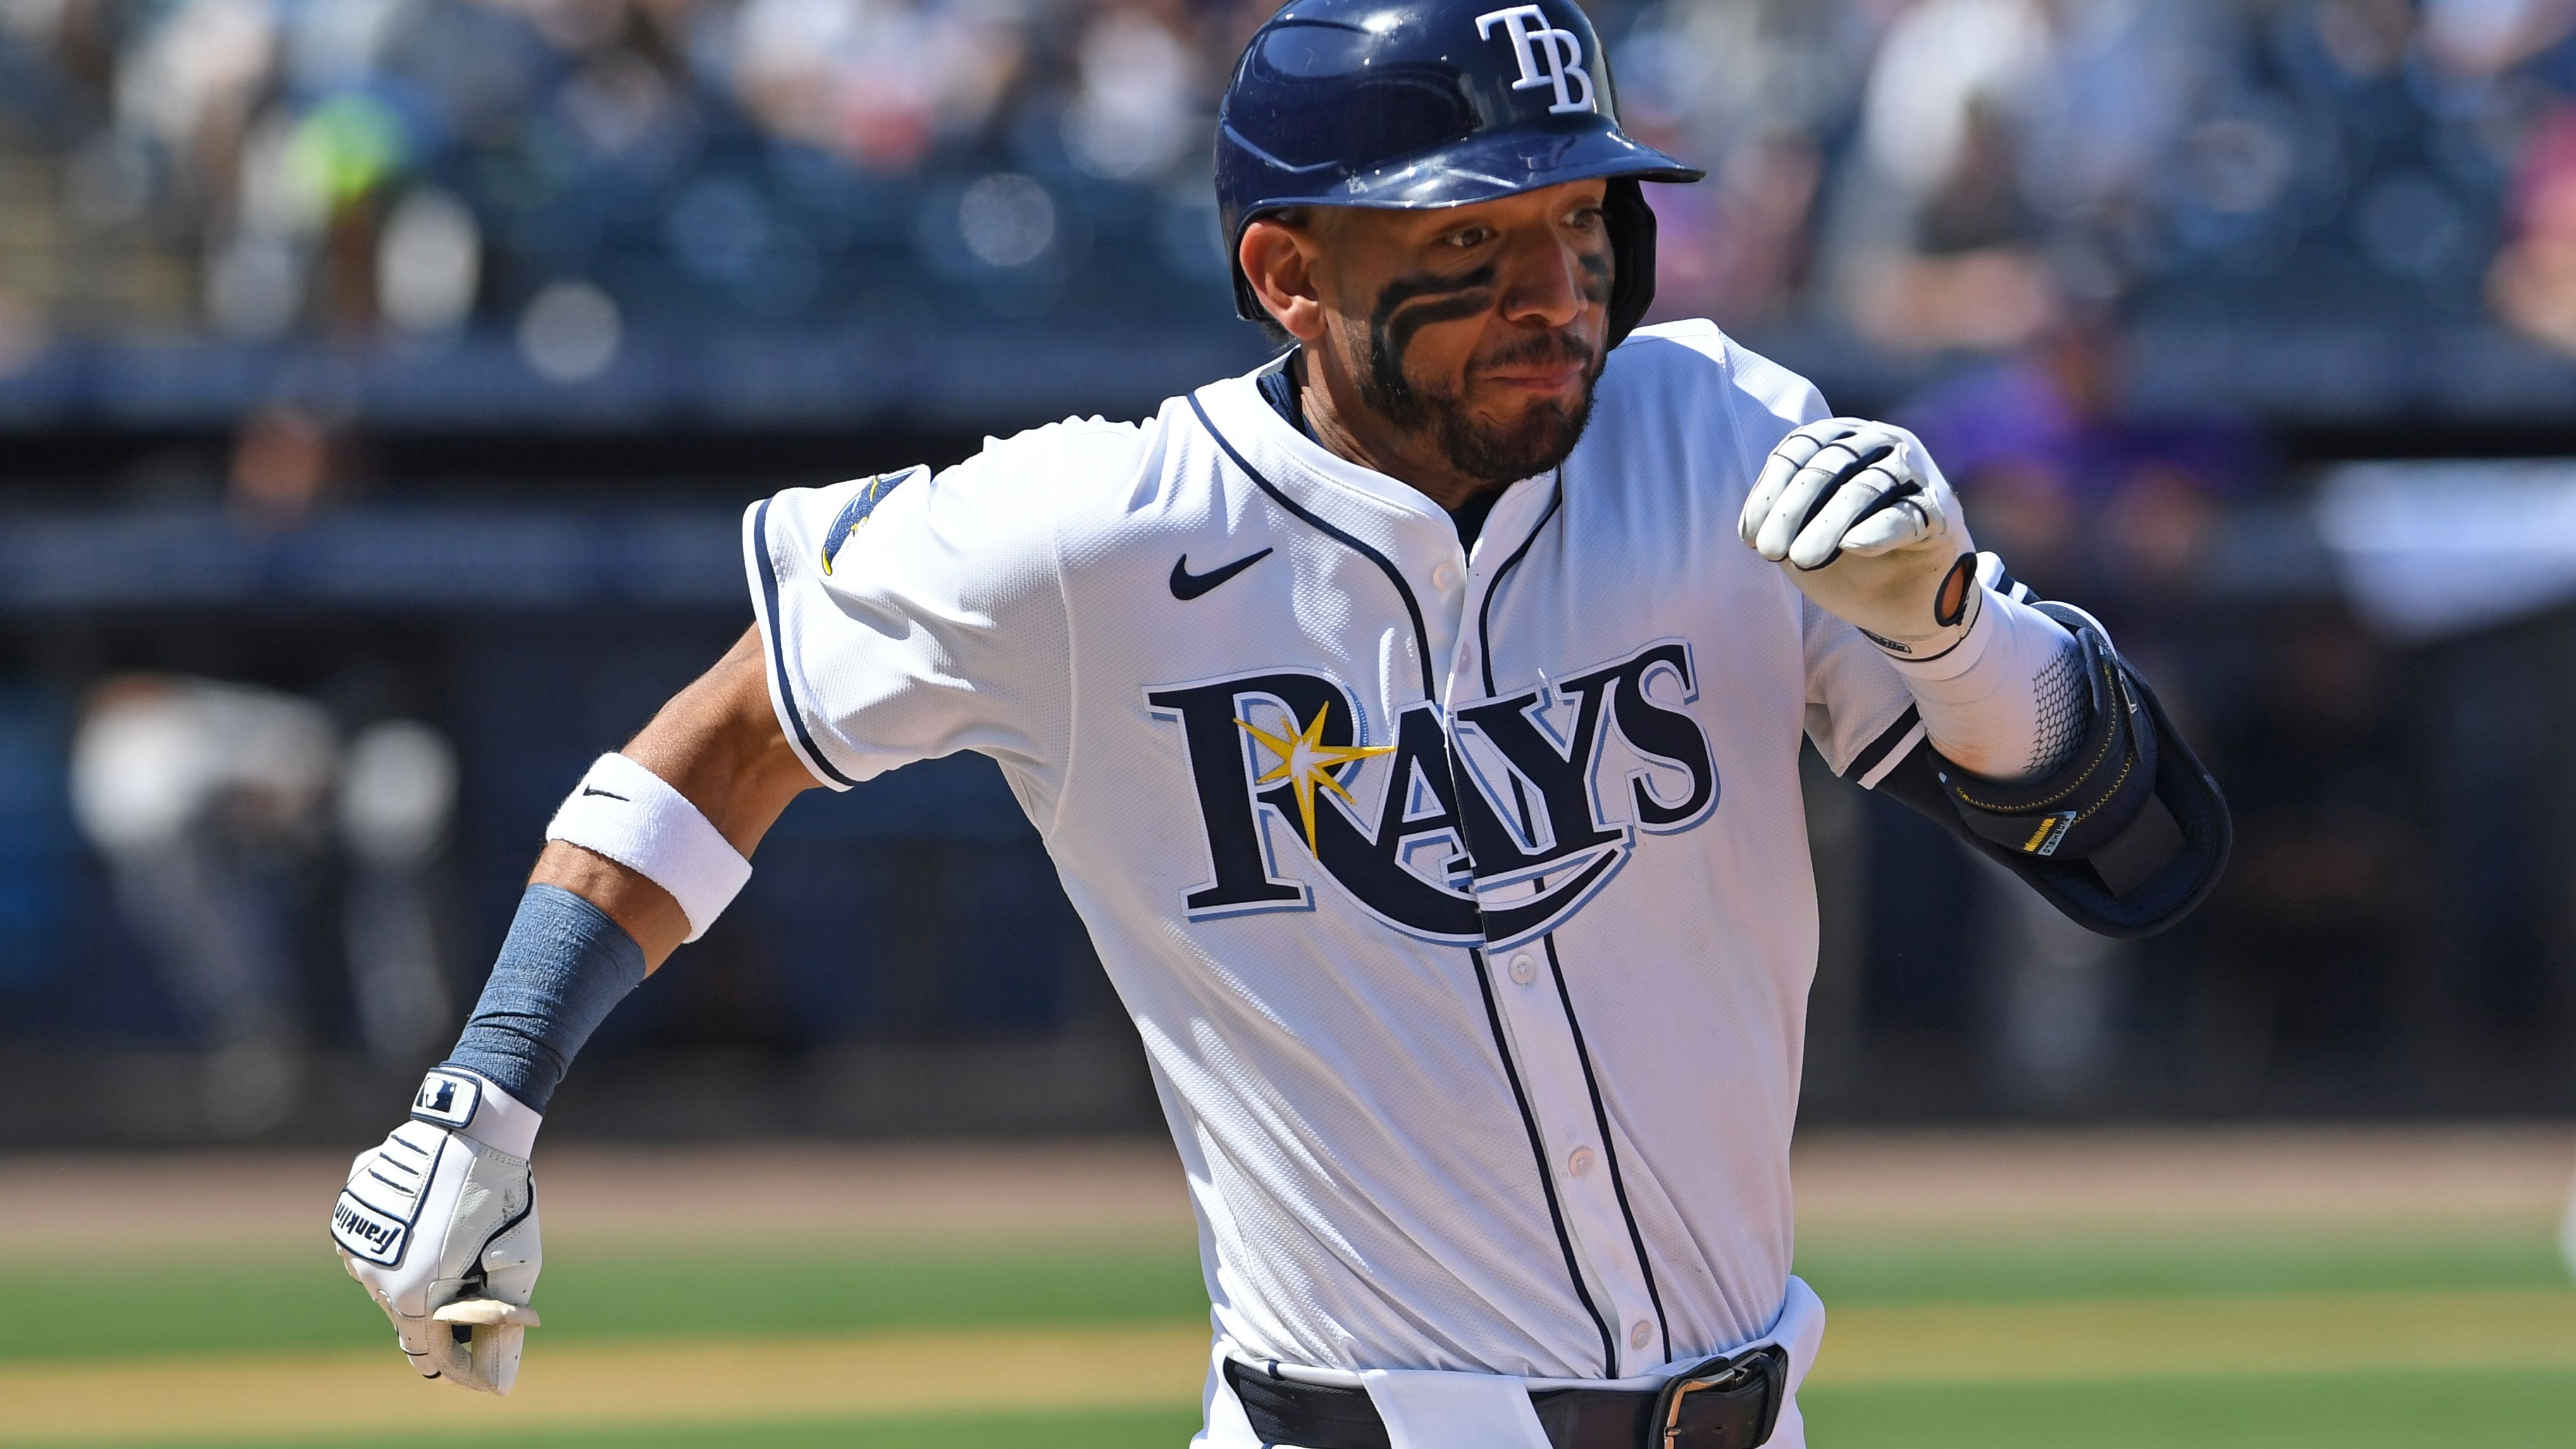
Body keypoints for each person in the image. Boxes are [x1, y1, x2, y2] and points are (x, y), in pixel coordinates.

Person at [328, 1, 2227, 1443]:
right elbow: (736, 733)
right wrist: (484, 1089)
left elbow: (2138, 854)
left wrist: (1961, 631)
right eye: (1468, 246)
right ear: (1289, 275)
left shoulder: (1714, 429)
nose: (1551, 293)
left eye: (1578, 226)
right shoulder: (1095, 534)